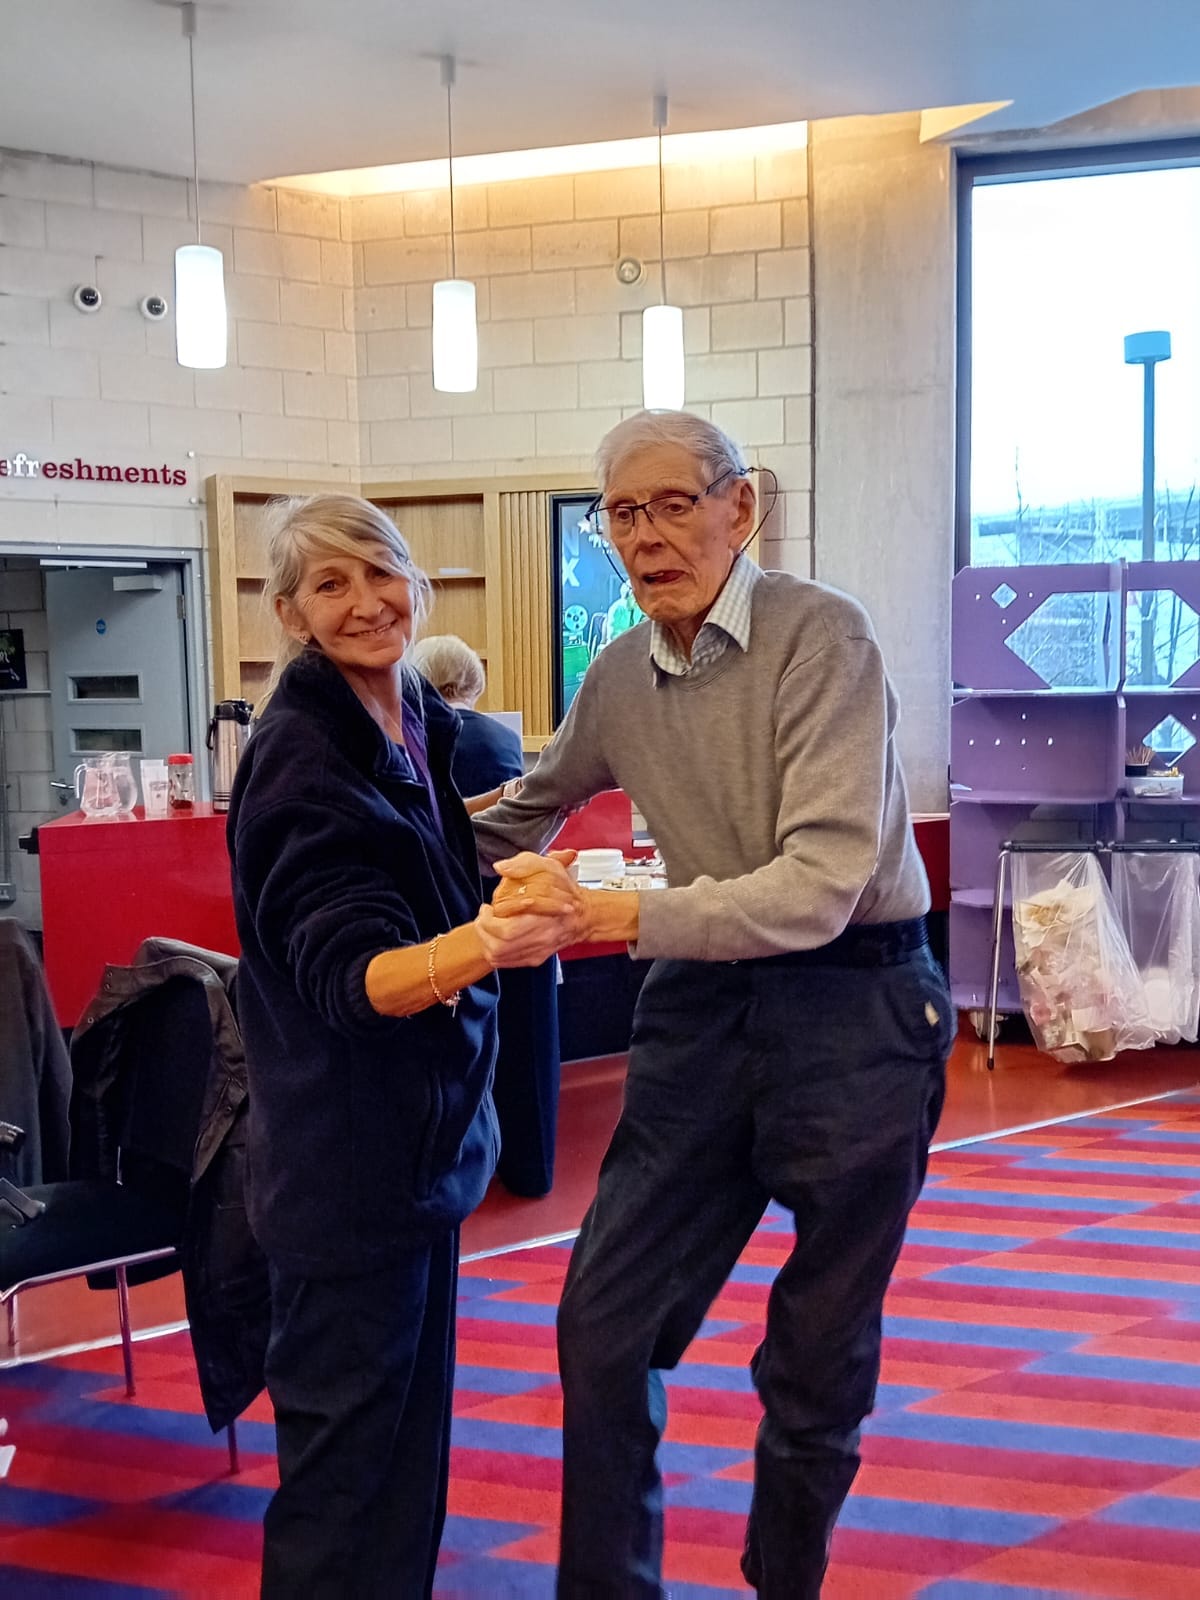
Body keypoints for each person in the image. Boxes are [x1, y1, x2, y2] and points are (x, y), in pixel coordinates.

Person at [472, 411, 953, 1599]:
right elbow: (520, 809)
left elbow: (821, 886)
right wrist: (346, 843)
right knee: (601, 1326)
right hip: (700, 1006)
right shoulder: (621, 678)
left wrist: (613, 916)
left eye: (673, 504)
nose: (646, 537)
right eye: (621, 514)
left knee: (815, 1360)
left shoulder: (822, 636)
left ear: (743, 509)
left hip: (858, 1009)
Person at [226, 494, 572, 1598]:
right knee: (341, 1484)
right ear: (290, 613)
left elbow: (431, 851)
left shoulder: (411, 713)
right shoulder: (299, 757)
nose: (367, 600)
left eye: (383, 573)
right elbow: (352, 979)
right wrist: (488, 941)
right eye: (331, 584)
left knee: (405, 1467)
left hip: (423, 1161)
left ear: (420, 587)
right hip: (344, 1176)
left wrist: (561, 797)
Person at [408, 633, 562, 1198]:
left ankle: (460, 1171)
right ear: (471, 684)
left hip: (446, 915)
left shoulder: (413, 739)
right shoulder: (500, 737)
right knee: (531, 1045)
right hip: (520, 898)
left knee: (460, 1048)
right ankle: (530, 1170)